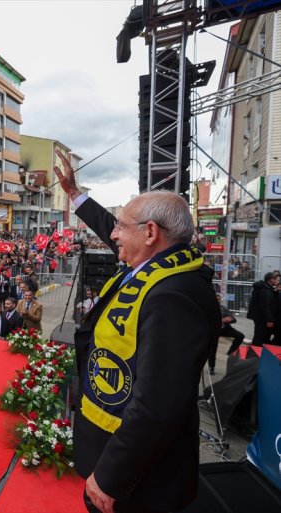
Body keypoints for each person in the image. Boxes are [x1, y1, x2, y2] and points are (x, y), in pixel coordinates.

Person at [55, 149, 220, 513]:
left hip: (136, 481)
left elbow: (158, 404)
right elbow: (112, 229)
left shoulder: (173, 297)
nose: (112, 234)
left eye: (121, 226)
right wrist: (74, 194)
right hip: (116, 451)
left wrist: (111, 476)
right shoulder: (162, 264)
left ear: (150, 232)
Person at [246, 271, 277, 347]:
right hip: (261, 317)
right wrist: (269, 319)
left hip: (259, 316)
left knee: (259, 335)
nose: (277, 281)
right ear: (271, 280)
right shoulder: (265, 290)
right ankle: (255, 353)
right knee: (259, 336)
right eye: (275, 279)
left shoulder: (264, 287)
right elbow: (265, 306)